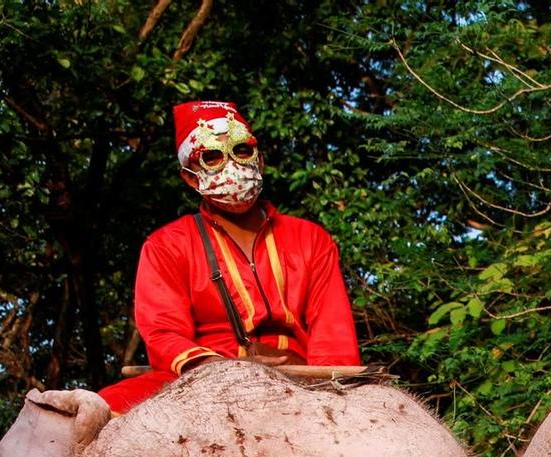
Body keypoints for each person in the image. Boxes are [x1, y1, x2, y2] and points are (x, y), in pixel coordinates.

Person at [98, 101, 360, 414]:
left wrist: (317, 381)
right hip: (201, 378)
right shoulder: (166, 245)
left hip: (301, 377)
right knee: (95, 411)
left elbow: (334, 337)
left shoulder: (311, 239)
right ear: (191, 178)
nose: (231, 165)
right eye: (212, 157)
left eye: (241, 151)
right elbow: (164, 332)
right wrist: (222, 369)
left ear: (259, 160)